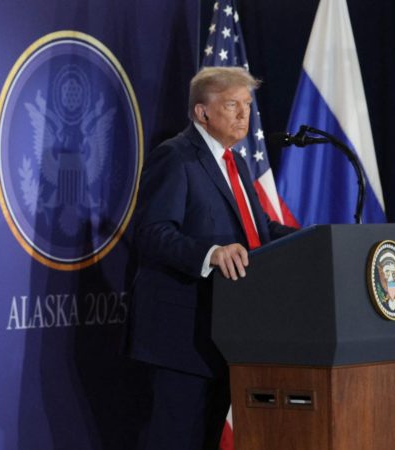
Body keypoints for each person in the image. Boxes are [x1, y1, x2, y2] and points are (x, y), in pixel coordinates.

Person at [127, 67, 295, 449]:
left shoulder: (236, 162)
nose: (244, 114)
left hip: (226, 333)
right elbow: (152, 233)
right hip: (181, 341)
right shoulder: (175, 157)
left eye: (247, 105)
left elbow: (260, 230)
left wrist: (317, 237)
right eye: (233, 105)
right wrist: (211, 253)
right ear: (202, 112)